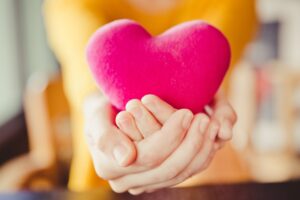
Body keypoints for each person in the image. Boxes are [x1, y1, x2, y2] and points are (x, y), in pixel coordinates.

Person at [43, 0, 257, 194]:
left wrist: (208, 92)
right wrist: (97, 110)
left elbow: (212, 58)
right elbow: (91, 74)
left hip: (210, 178)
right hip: (101, 185)